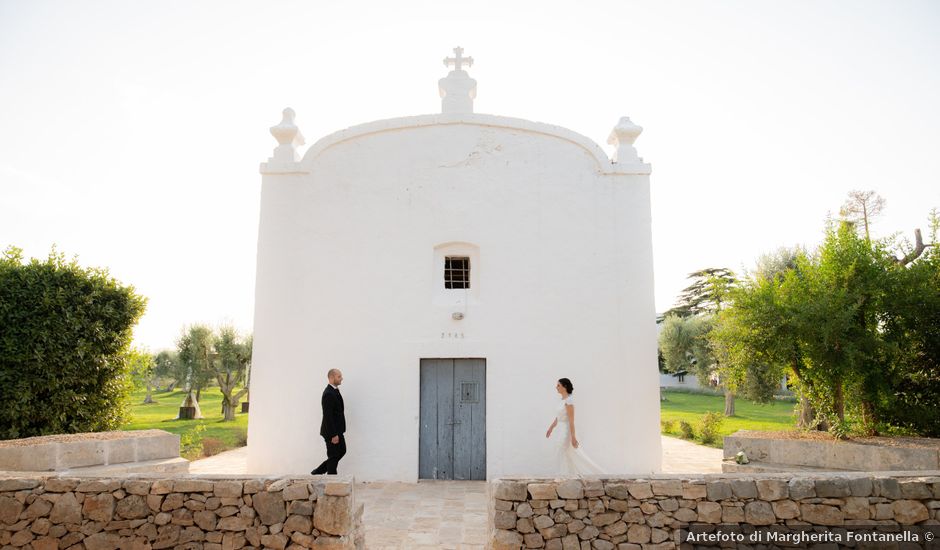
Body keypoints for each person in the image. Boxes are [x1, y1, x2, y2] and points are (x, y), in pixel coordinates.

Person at [545, 377, 604, 476]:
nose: (556, 387)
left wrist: (573, 437)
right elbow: (558, 417)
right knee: (559, 451)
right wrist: (551, 428)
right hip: (560, 429)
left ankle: (563, 475)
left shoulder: (569, 401)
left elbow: (571, 420)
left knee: (561, 451)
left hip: (565, 431)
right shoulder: (562, 400)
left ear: (565, 387)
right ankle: (564, 474)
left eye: (558, 385)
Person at [311, 368, 346, 475]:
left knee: (341, 451)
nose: (341, 378)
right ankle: (332, 481)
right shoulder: (328, 394)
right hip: (331, 432)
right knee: (333, 456)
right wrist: (333, 434)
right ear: (331, 378)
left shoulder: (334, 391)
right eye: (339, 376)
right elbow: (328, 416)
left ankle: (317, 472)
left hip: (338, 430)